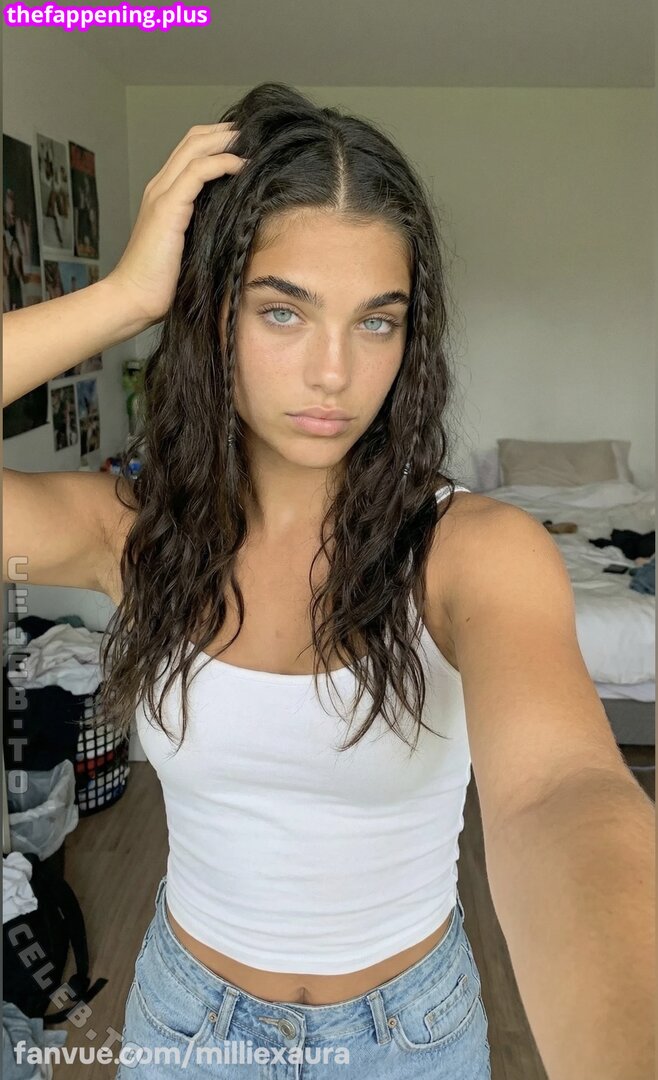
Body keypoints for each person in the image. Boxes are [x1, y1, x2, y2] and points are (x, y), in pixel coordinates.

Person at [2, 83, 653, 1080]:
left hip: (411, 1040)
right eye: (283, 311)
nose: (334, 374)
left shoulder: (474, 549)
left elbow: (560, 792)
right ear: (211, 314)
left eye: (376, 323)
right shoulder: (129, 531)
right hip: (188, 1029)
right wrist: (126, 296)